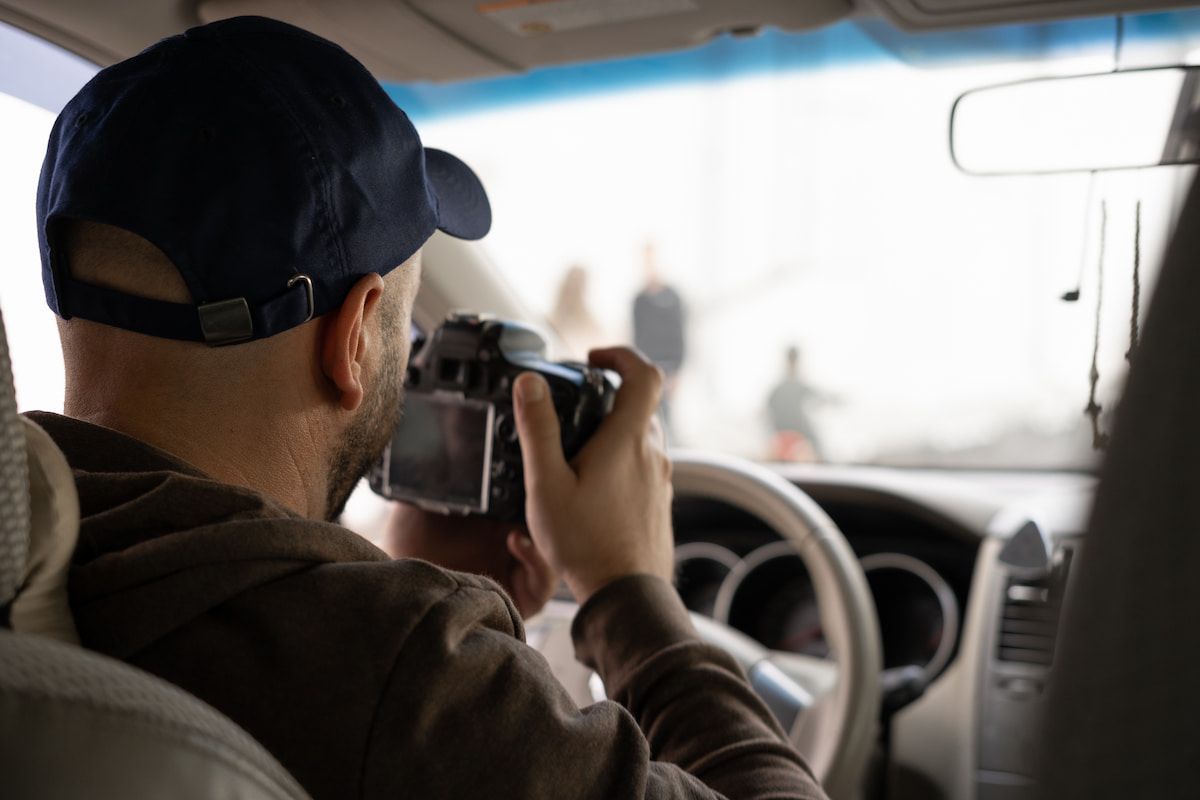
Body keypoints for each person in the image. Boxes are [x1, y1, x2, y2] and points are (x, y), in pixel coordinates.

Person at [28, 16, 825, 800]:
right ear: (352, 339)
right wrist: (631, 596)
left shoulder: (24, 547)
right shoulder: (399, 668)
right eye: (404, 325)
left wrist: (412, 574)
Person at [632, 242, 687, 436]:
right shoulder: (639, 300)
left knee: (668, 424)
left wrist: (677, 372)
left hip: (670, 369)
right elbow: (636, 338)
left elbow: (680, 335)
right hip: (648, 368)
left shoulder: (673, 298)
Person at [767, 346, 831, 462]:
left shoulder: (798, 387)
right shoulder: (780, 390)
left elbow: (820, 397)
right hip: (786, 438)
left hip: (799, 439)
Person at [548, 263, 607, 360]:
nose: (575, 288)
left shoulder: (591, 322)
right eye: (573, 283)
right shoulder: (552, 320)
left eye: (579, 284)